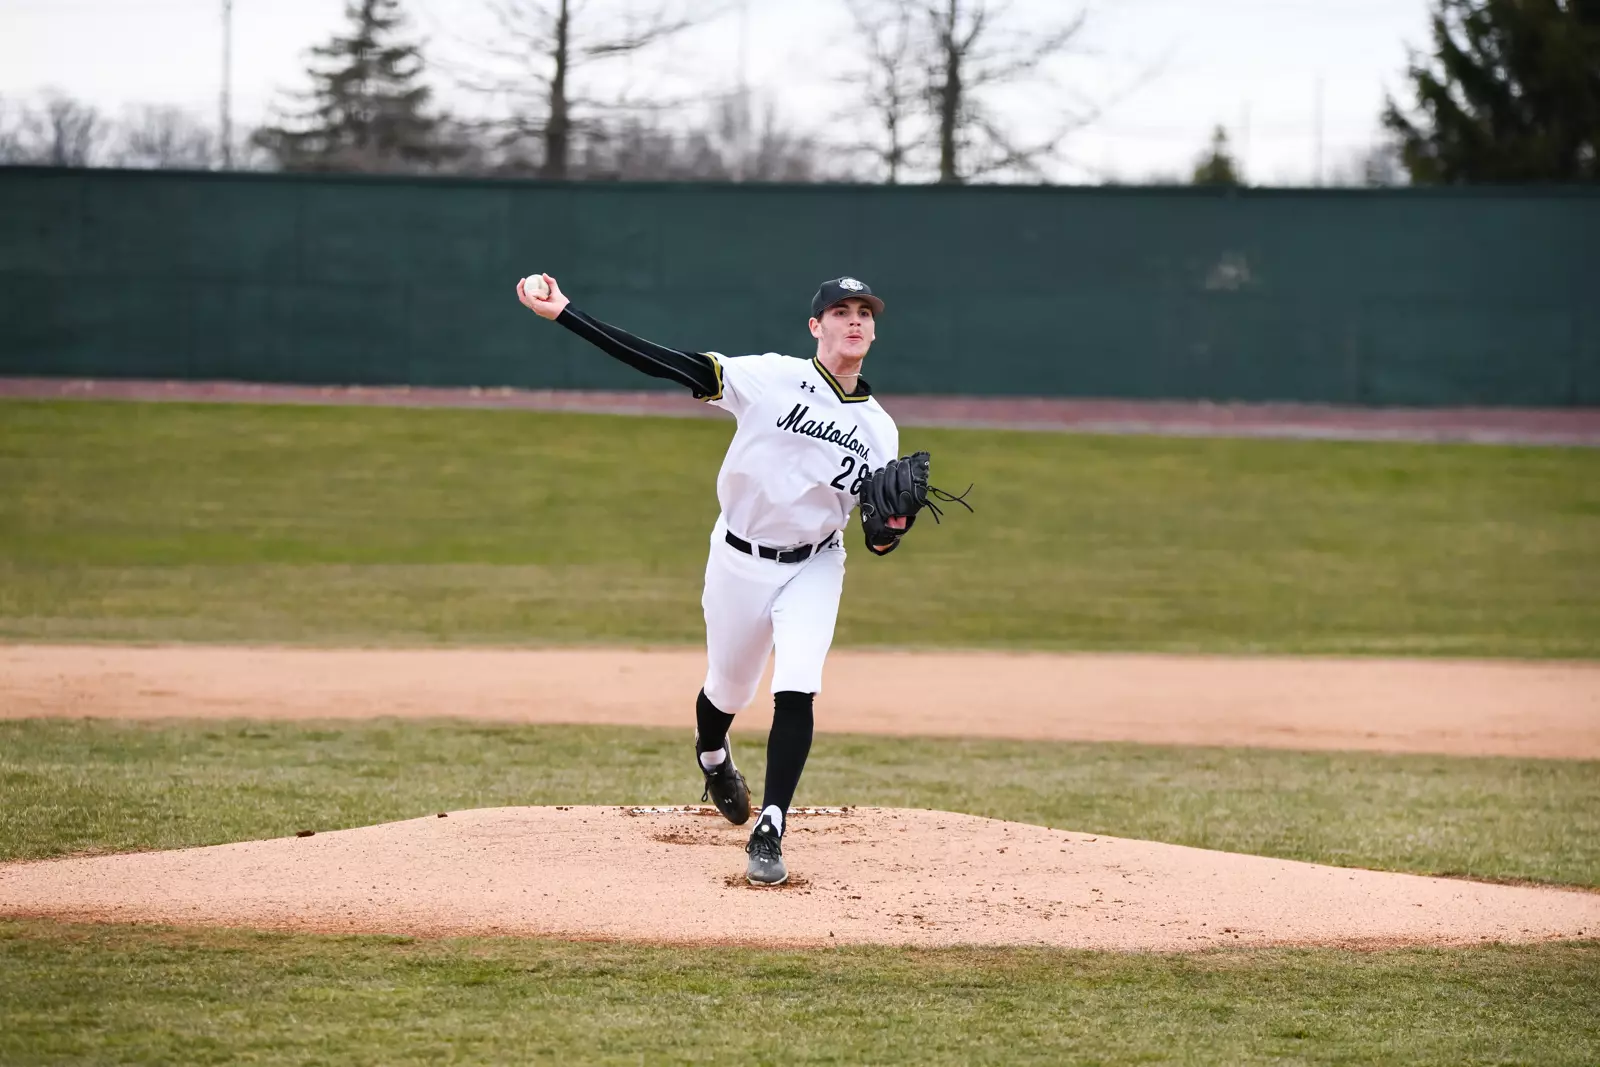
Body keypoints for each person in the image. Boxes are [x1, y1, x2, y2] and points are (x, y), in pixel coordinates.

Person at [518, 274, 911, 885]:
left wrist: (892, 528)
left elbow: (877, 536)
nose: (854, 320)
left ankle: (771, 826)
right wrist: (567, 313)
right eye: (841, 311)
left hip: (815, 562)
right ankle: (712, 755)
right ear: (816, 327)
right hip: (738, 559)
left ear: (875, 331)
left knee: (798, 683)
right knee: (729, 689)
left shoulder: (880, 430)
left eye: (864, 312)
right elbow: (669, 363)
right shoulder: (771, 378)